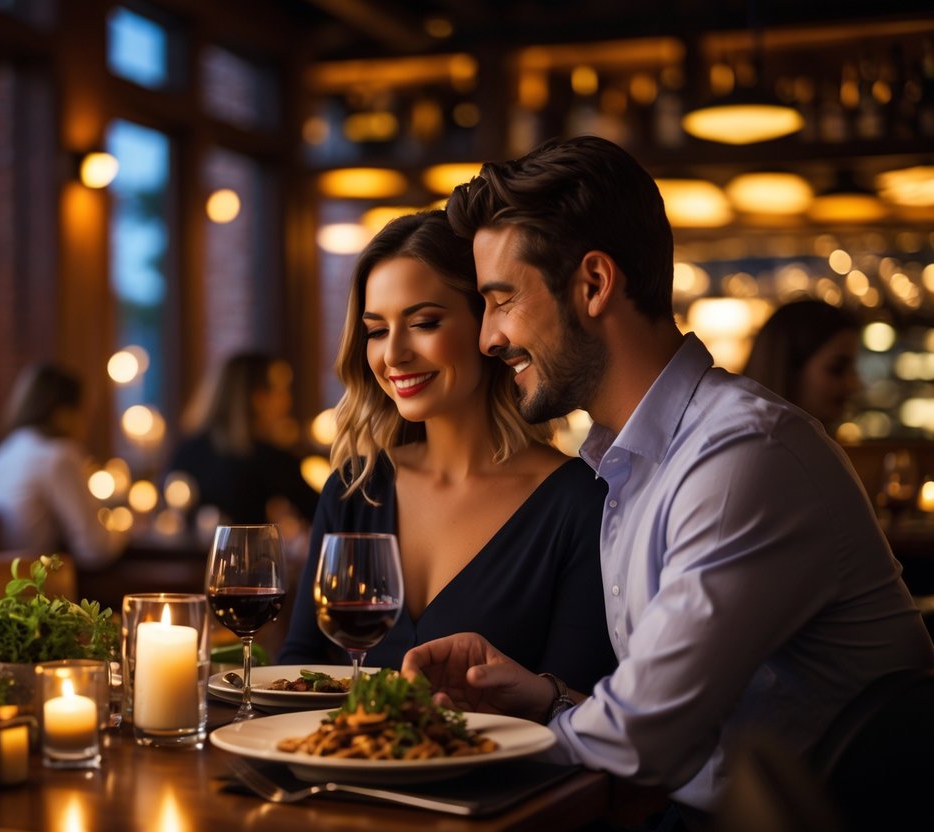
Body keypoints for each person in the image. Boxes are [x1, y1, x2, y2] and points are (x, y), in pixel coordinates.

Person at [400, 136, 934, 821]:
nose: (487, 338)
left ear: (593, 284)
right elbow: (658, 722)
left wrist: (431, 743)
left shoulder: (742, 454)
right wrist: (544, 700)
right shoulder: (634, 460)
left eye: (501, 300)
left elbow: (636, 746)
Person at [280, 211, 616, 692]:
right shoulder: (355, 489)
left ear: (487, 325)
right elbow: (299, 664)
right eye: (376, 330)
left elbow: (578, 702)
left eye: (423, 322)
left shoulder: (578, 501)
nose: (393, 353)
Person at [0, 363, 122, 569]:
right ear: (64, 415)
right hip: (36, 592)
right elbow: (95, 549)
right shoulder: (59, 456)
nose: (86, 426)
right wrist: (124, 527)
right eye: (84, 414)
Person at [166, 352, 320, 526]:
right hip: (252, 553)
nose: (287, 401)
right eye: (280, 391)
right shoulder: (271, 460)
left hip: (187, 554)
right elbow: (321, 514)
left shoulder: (187, 451)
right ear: (257, 398)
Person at [741, 299, 861, 433]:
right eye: (836, 369)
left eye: (853, 370)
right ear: (789, 370)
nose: (853, 385)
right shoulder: (763, 448)